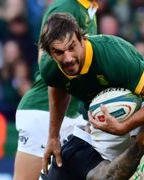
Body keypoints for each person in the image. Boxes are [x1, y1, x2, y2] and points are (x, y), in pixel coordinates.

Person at [40, 13, 144, 179]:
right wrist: (53, 136)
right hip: (105, 125)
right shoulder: (50, 68)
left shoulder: (113, 55)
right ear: (50, 53)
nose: (68, 58)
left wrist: (127, 126)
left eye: (72, 47)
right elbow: (58, 88)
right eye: (59, 52)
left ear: (82, 39)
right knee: (109, 176)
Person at [13, 0, 98, 180]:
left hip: (71, 114)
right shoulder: (65, 6)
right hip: (43, 111)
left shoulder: (89, 10)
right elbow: (44, 59)